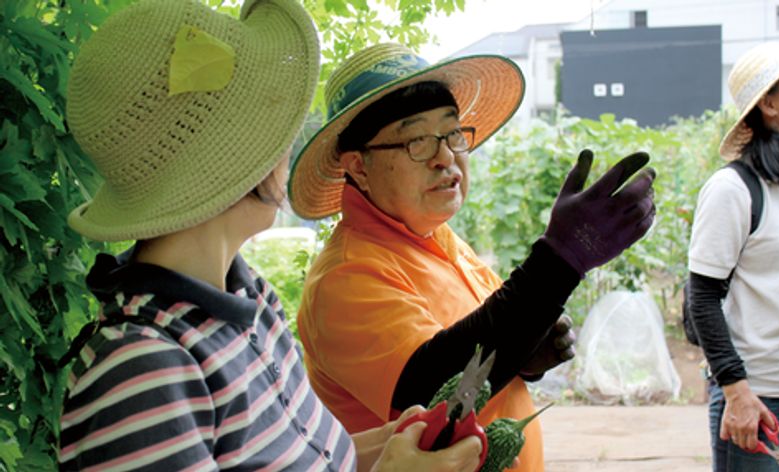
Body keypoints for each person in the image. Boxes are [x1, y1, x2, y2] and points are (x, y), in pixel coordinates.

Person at [58, 1, 484, 470]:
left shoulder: (252, 299)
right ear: (222, 163)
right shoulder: (140, 370)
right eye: (267, 122)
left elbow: (315, 459)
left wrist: (383, 446)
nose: (286, 142)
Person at [288, 42, 657, 471]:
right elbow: (431, 392)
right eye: (417, 141)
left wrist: (524, 356)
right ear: (358, 166)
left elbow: (481, 343)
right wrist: (560, 260)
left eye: (452, 134)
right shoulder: (344, 277)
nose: (446, 158)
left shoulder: (438, 238)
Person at [687, 42, 779, 471]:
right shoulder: (734, 189)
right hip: (760, 399)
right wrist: (736, 391)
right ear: (768, 103)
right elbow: (702, 298)